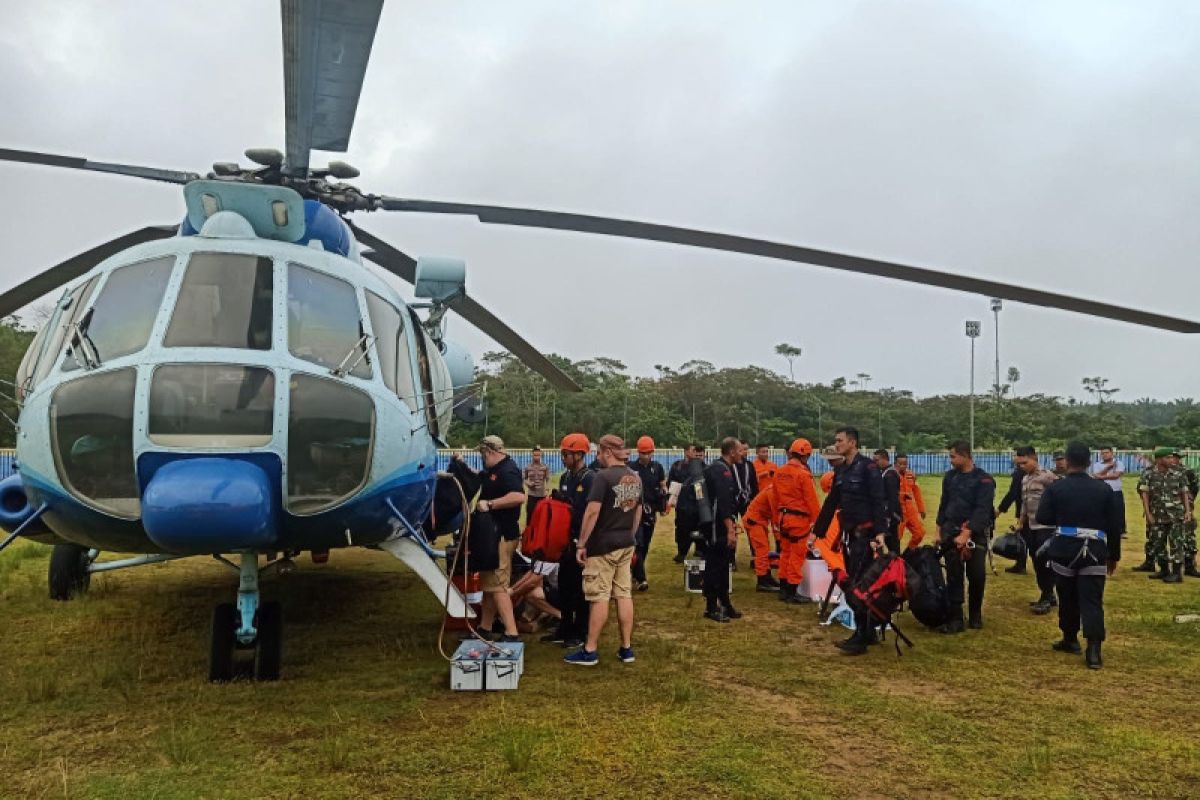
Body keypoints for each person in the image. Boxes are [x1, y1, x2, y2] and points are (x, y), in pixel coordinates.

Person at [1036, 442, 1123, 669]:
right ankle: (1094, 650)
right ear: (1088, 462)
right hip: (1094, 551)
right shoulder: (1104, 489)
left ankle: (1070, 639)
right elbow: (1115, 526)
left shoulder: (1056, 488)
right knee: (1092, 600)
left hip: (1065, 548)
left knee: (1067, 596)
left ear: (1068, 461)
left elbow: (1043, 516)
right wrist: (1113, 555)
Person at [565, 435, 641, 666]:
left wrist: (581, 544)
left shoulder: (603, 477)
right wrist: (630, 534)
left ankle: (590, 650)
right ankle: (626, 647)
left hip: (602, 546)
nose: (597, 456)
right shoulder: (635, 477)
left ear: (608, 451)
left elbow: (592, 512)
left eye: (599, 452)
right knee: (623, 594)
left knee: (599, 596)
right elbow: (637, 511)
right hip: (626, 542)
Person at [813, 426, 888, 655]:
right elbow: (832, 501)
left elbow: (879, 501)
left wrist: (880, 533)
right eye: (836, 441)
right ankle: (868, 631)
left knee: (858, 586)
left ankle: (861, 636)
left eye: (840, 441)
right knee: (856, 585)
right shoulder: (842, 470)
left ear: (853, 443)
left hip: (866, 537)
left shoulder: (868, 468)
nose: (837, 445)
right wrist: (818, 532)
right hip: (850, 537)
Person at [935, 440, 995, 633]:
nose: (950, 460)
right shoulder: (950, 477)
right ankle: (955, 617)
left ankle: (975, 614)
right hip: (950, 532)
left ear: (965, 455)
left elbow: (982, 509)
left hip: (975, 535)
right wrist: (938, 531)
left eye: (953, 456)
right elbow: (944, 505)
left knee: (976, 575)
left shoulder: (984, 480)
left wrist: (967, 532)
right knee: (954, 575)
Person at [473, 436, 526, 642]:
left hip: (501, 535)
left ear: (489, 451)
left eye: (482, 455)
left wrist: (491, 504)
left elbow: (519, 496)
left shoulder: (508, 470)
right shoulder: (494, 470)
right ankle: (485, 627)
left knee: (498, 584)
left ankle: (511, 632)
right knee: (490, 585)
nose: (482, 459)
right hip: (493, 535)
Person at [544, 433, 594, 648]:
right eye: (562, 454)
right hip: (564, 540)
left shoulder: (590, 478)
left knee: (579, 588)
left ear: (579, 454)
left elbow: (591, 511)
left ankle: (580, 631)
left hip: (582, 540)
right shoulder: (565, 478)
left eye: (566, 454)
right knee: (564, 585)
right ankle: (564, 626)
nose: (563, 458)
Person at [774, 438, 821, 605]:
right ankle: (792, 591)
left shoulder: (779, 472)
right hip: (798, 520)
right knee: (797, 555)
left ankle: (783, 588)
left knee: (785, 553)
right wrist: (818, 523)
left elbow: (775, 497)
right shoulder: (803, 474)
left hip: (783, 519)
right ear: (806, 455)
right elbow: (812, 501)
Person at [1137, 447, 1193, 584]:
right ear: (1159, 459)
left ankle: (1176, 573)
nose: (1171, 460)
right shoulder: (1148, 473)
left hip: (1176, 514)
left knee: (1176, 543)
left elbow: (1184, 492)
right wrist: (1148, 513)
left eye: (1171, 457)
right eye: (1167, 457)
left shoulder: (1179, 473)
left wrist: (1187, 511)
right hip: (1157, 514)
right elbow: (1145, 494)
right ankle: (1163, 569)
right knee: (1158, 543)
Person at [700, 437, 741, 623]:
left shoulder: (725, 468)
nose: (743, 453)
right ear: (731, 451)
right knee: (714, 565)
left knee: (724, 564)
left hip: (721, 524)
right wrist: (729, 529)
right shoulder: (720, 470)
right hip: (716, 526)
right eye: (740, 450)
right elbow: (723, 504)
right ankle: (710, 607)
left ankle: (725, 603)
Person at [1015, 446, 1060, 614]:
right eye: (1019, 464)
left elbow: (1060, 498)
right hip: (1031, 527)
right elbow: (1024, 504)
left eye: (1024, 462)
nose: (1022, 466)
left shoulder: (1048, 477)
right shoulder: (1025, 479)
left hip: (1046, 527)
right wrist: (1021, 523)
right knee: (1035, 560)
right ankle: (1048, 594)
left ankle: (1047, 596)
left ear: (1034, 458)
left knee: (1045, 562)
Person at [629, 435, 666, 591]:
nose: (646, 456)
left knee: (645, 546)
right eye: (643, 453)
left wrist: (663, 504)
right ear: (638, 452)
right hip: (635, 511)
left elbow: (663, 486)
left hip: (650, 511)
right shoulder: (631, 467)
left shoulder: (657, 468)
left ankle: (634, 571)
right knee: (638, 542)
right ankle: (641, 577)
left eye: (648, 453)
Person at [668, 444, 707, 562]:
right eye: (694, 451)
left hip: (699, 504)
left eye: (700, 453)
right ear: (686, 452)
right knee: (682, 528)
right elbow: (670, 482)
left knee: (700, 527)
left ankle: (700, 549)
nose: (697, 454)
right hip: (683, 504)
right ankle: (682, 552)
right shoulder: (677, 466)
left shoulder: (706, 468)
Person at [742, 478, 780, 591]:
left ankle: (767, 576)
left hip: (759, 520)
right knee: (761, 550)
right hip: (754, 521)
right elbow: (775, 517)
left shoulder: (775, 489)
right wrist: (778, 539)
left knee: (765, 549)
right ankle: (762, 580)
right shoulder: (773, 492)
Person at [1167, 451, 1200, 577]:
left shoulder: (1187, 471)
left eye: (1175, 457)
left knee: (1188, 537)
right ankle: (1169, 567)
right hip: (1168, 510)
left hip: (1185, 508)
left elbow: (1194, 488)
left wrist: (1189, 503)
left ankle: (1190, 566)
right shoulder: (1163, 471)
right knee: (1173, 538)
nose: (1173, 460)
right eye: (1171, 457)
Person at [996, 454, 1026, 574]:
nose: (1013, 458)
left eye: (1015, 455)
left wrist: (1000, 509)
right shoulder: (1024, 471)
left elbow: (1013, 493)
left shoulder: (1019, 473)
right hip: (1029, 509)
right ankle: (1021, 564)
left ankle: (1021, 564)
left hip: (1024, 510)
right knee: (1024, 536)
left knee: (1024, 537)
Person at [893, 454, 927, 550]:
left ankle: (908, 554)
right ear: (895, 464)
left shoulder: (911, 475)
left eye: (905, 464)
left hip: (911, 510)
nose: (903, 466)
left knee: (920, 533)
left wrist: (921, 509)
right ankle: (896, 560)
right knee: (897, 538)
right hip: (898, 511)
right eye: (900, 464)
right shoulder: (891, 475)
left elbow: (917, 492)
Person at [873, 449, 902, 553]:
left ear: (884, 459)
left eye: (876, 460)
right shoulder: (885, 473)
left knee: (892, 542)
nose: (875, 463)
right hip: (887, 512)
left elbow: (892, 497)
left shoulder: (890, 475)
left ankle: (897, 564)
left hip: (890, 514)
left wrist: (890, 516)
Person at [523, 446, 551, 521]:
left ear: (541, 455)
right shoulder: (527, 467)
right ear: (532, 455)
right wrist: (528, 483)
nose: (536, 457)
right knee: (530, 516)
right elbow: (524, 479)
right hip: (531, 495)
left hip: (542, 495)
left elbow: (547, 479)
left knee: (542, 517)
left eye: (538, 455)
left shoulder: (545, 467)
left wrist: (547, 490)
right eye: (535, 455)